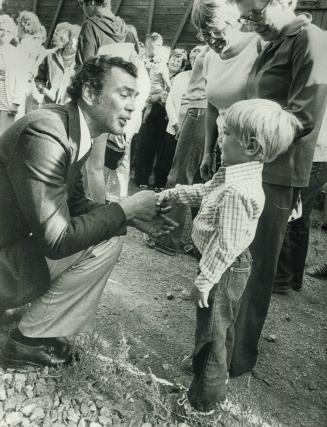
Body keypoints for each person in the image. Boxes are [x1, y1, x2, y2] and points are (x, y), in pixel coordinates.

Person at [0, 56, 175, 368]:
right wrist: (124, 208)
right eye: (123, 94)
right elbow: (57, 239)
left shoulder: (72, 129)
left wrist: (130, 217)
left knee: (108, 237)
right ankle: (25, 345)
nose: (133, 106)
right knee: (105, 237)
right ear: (91, 94)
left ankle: (34, 330)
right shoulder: (47, 133)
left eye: (135, 97)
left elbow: (75, 203)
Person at [159, 99, 301, 414]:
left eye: (226, 135)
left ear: (250, 145)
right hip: (225, 263)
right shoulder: (233, 171)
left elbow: (226, 245)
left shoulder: (240, 191)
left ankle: (202, 402)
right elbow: (206, 191)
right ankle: (211, 370)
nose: (219, 139)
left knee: (212, 332)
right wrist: (174, 193)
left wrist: (204, 280)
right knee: (221, 324)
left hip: (224, 267)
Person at [228, 0, 327, 377]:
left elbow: (303, 116)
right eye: (245, 16)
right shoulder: (272, 42)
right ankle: (221, 346)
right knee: (234, 257)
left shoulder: (311, 40)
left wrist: (247, 138)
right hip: (251, 160)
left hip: (275, 169)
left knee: (253, 267)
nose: (251, 23)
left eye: (256, 13)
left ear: (286, 1)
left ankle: (235, 358)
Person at [76, 0, 129, 203]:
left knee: (87, 165)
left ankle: (93, 219)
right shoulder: (124, 28)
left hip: (92, 102)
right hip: (114, 100)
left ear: (90, 2)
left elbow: (85, 69)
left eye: (81, 3)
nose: (82, 9)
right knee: (97, 166)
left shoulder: (90, 25)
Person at [274, 106, 327, 293]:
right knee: (298, 215)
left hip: (317, 157)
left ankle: (284, 278)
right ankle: (291, 278)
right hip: (309, 154)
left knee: (294, 214)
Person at [135, 48, 187, 190]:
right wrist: (155, 97)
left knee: (164, 152)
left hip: (169, 117)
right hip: (153, 113)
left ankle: (160, 182)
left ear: (182, 65)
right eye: (174, 59)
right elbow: (144, 93)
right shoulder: (156, 73)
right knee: (147, 147)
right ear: (168, 60)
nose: (175, 62)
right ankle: (142, 179)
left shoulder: (181, 79)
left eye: (179, 61)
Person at [35, 24, 81, 105]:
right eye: (72, 42)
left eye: (77, 45)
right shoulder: (50, 57)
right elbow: (39, 78)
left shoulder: (79, 63)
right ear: (67, 40)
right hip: (48, 104)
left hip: (66, 106)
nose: (73, 46)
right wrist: (42, 89)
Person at [0, 15, 25, 134]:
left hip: (7, 101)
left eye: (8, 31)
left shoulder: (16, 53)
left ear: (12, 34)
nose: (4, 33)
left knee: (3, 136)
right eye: (1, 29)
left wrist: (16, 102)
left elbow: (22, 81)